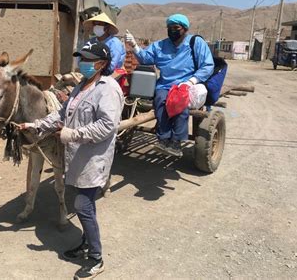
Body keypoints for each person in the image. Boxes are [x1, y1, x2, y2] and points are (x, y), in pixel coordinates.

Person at [20, 42, 124, 280]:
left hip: (93, 157)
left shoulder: (107, 88)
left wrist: (72, 134)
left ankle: (96, 259)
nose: (82, 63)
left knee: (82, 206)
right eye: (81, 58)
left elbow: (107, 126)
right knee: (86, 203)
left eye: (88, 59)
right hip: (76, 156)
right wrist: (35, 125)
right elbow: (61, 113)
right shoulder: (81, 86)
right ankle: (86, 245)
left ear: (102, 64)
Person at [125, 14, 214, 157]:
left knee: (179, 104)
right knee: (160, 101)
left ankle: (176, 143)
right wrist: (134, 46)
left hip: (187, 84)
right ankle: (164, 139)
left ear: (184, 29)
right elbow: (145, 59)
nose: (172, 30)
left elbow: (207, 66)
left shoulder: (195, 43)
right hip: (165, 85)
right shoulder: (160, 45)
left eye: (176, 28)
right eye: (170, 28)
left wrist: (191, 81)